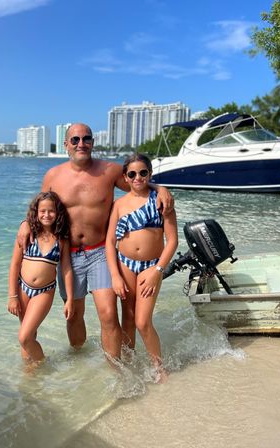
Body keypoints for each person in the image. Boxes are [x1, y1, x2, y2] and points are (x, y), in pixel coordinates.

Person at [17, 123, 174, 361]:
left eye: (86, 139)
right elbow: (41, 209)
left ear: (92, 142)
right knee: (74, 314)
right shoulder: (53, 175)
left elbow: (137, 185)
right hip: (68, 256)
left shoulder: (109, 171)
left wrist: (160, 188)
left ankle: (116, 370)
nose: (81, 144)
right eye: (75, 139)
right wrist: (25, 223)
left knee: (109, 314)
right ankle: (79, 362)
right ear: (66, 144)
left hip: (100, 251)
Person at [105, 153, 178, 381]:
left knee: (142, 321)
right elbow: (109, 242)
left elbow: (172, 240)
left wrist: (158, 271)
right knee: (127, 317)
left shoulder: (161, 200)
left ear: (150, 174)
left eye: (143, 173)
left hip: (151, 267)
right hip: (125, 264)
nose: (138, 178)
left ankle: (159, 367)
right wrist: (115, 276)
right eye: (132, 174)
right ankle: (130, 364)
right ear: (125, 177)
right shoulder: (118, 205)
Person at [8, 191, 74, 365]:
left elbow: (66, 268)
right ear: (36, 212)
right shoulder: (27, 235)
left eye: (51, 211)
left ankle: (44, 365)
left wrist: (70, 299)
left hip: (44, 291)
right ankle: (30, 373)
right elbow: (14, 265)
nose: (46, 214)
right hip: (23, 287)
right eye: (42, 211)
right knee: (28, 334)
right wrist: (13, 296)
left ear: (58, 213)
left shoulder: (61, 239)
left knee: (24, 336)